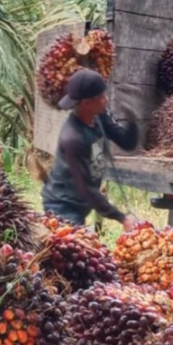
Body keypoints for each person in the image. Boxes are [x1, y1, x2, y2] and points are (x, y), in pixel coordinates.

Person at [41, 68, 141, 230]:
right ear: (86, 103)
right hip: (63, 206)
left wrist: (132, 119)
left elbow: (127, 143)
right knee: (74, 245)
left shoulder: (99, 116)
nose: (106, 99)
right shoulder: (73, 138)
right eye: (101, 97)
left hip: (81, 203)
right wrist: (121, 218)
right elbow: (86, 189)